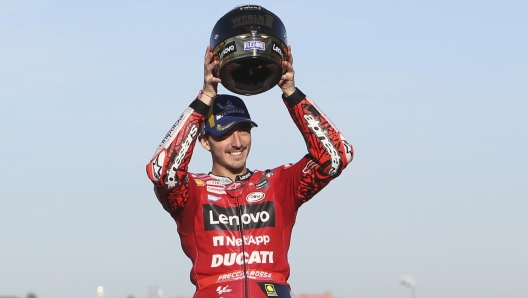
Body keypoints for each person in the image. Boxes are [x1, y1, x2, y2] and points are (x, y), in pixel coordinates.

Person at [146, 45, 353, 298]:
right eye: (225, 133)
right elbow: (162, 171)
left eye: (243, 130)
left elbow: (336, 156)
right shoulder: (191, 193)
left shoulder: (278, 184)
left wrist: (291, 92)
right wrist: (205, 98)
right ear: (204, 141)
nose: (237, 142)